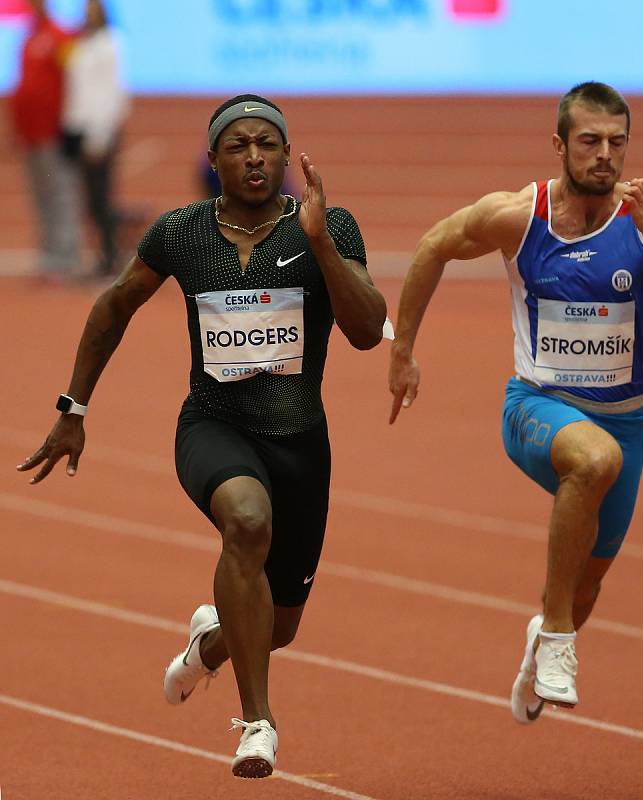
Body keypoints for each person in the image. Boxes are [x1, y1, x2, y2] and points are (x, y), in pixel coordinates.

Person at [17, 94, 387, 778]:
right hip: (214, 428)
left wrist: (322, 246)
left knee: (279, 629)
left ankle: (207, 646)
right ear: (212, 158)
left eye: (268, 145)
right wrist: (74, 407)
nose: (255, 157)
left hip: (301, 441)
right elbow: (113, 304)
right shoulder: (182, 233)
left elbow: (366, 331)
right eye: (239, 145)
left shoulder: (327, 225)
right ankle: (258, 724)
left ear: (286, 155)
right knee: (246, 523)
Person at [388, 82, 643, 724]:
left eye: (616, 142)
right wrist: (403, 352)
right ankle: (560, 641)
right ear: (560, 143)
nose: (604, 155)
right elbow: (432, 246)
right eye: (589, 141)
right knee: (592, 462)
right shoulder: (519, 215)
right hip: (535, 407)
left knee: (587, 580)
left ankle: (545, 637)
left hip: (628, 422)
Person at [9, 0, 81, 278]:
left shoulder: (61, 37)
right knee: (40, 195)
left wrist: (68, 123)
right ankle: (50, 252)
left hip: (53, 131)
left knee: (60, 192)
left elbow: (73, 81)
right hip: (30, 133)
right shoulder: (28, 39)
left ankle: (67, 254)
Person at [61, 0, 129, 276]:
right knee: (89, 198)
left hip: (98, 129)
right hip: (78, 125)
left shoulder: (110, 44)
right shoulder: (81, 43)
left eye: (93, 10)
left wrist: (101, 134)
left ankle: (111, 256)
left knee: (101, 197)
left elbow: (112, 92)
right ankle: (103, 255)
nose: (88, 15)